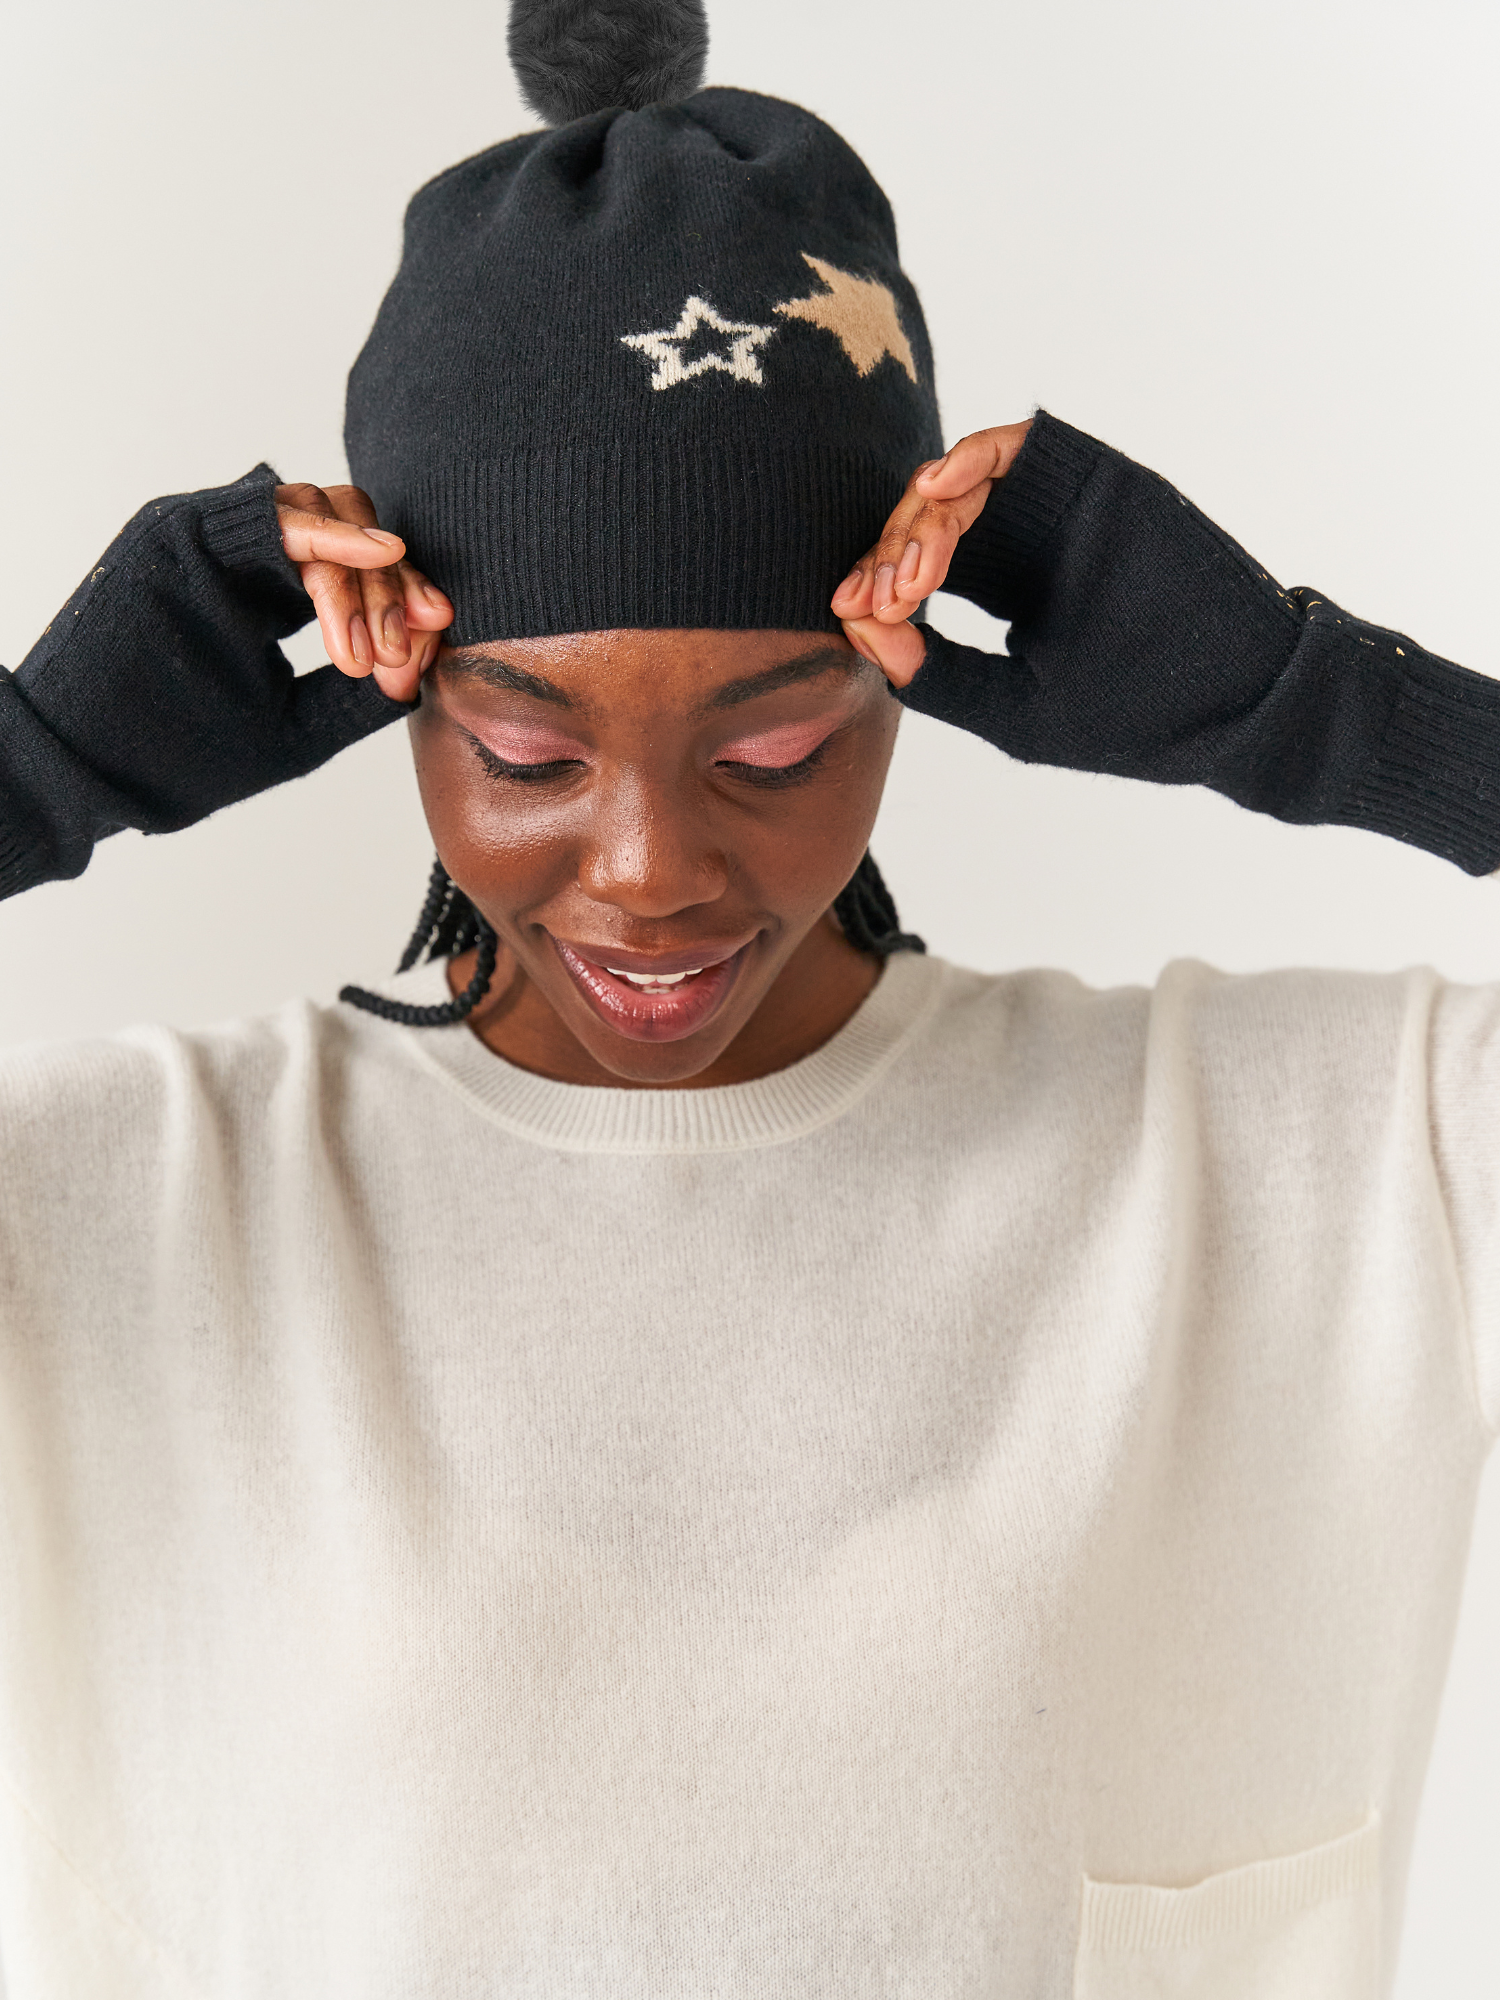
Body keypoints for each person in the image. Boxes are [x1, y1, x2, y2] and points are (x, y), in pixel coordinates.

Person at [0, 3, 1497, 1993]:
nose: (647, 870)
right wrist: (33, 766)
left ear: (897, 672)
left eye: (775, 750)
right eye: (526, 756)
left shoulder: (1327, 1165)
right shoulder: (126, 1208)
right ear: (394, 695)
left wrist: (1314, 708)